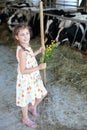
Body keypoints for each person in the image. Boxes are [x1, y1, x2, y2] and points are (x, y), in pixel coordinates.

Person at [13, 24, 47, 128]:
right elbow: (23, 71)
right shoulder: (22, 51)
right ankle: (25, 118)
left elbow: (30, 56)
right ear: (17, 37)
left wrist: (39, 51)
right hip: (26, 79)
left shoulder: (27, 46)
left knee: (43, 93)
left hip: (34, 77)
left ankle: (33, 107)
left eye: (27, 33)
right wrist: (39, 67)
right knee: (25, 99)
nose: (26, 36)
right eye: (22, 34)